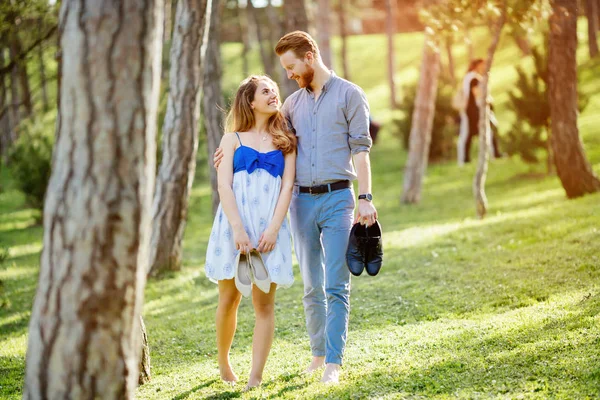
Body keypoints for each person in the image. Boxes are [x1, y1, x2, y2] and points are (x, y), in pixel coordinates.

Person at [215, 31, 378, 384]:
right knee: (311, 286)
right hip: (301, 203)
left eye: (290, 66)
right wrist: (228, 151)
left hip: (338, 199)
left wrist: (365, 197)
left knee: (336, 284)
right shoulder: (291, 106)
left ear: (309, 56)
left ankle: (333, 362)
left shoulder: (350, 95)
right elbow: (262, 138)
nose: (288, 74)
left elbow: (361, 150)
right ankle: (318, 355)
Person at [205, 75, 297, 390]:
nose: (274, 94)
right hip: (235, 226)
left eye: (275, 89)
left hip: (269, 228)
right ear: (250, 101)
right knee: (228, 298)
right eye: (265, 91)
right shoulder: (231, 140)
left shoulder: (286, 140)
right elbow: (223, 186)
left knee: (264, 305)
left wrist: (273, 229)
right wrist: (238, 229)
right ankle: (224, 362)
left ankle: (255, 376)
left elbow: (287, 186)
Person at [456, 58, 502, 164]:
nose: (484, 67)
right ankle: (493, 154)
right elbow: (477, 93)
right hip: (475, 109)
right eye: (482, 65)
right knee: (476, 132)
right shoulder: (474, 78)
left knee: (470, 133)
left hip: (473, 109)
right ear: (477, 65)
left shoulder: (470, 77)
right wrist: (486, 84)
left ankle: (466, 158)